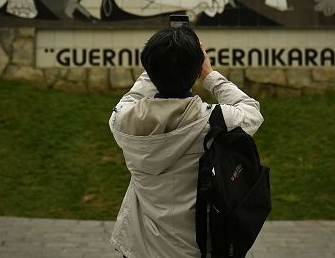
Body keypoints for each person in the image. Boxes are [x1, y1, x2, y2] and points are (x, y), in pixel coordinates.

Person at [109, 27, 264, 258]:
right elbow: (251, 110)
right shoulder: (216, 121)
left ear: (150, 71)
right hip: (197, 248)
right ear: (196, 70)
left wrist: (161, 61)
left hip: (141, 249)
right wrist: (209, 75)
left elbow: (133, 97)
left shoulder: (122, 121)